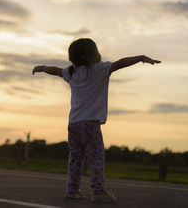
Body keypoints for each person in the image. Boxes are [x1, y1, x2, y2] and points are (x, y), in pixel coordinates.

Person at [32, 38, 161, 203]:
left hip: (73, 124)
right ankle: (98, 191)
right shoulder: (100, 69)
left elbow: (55, 70)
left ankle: (72, 189)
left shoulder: (71, 72)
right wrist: (141, 57)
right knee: (96, 157)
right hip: (90, 124)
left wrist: (41, 68)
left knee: (76, 157)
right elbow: (121, 63)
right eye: (97, 50)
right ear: (90, 56)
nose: (100, 53)